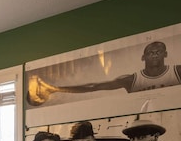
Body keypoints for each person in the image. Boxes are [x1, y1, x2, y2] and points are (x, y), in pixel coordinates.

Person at [28, 41, 181, 105]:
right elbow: (93, 86)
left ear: (165, 54)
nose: (154, 55)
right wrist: (55, 89)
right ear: (143, 57)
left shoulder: (177, 71)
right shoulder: (131, 79)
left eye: (158, 52)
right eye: (150, 52)